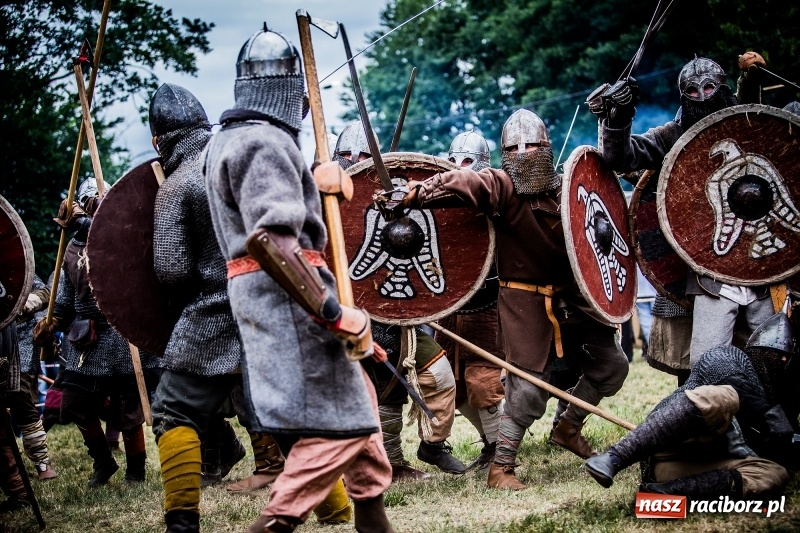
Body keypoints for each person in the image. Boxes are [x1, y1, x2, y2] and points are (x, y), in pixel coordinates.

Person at [203, 24, 395, 532]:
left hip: (276, 297)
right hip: (293, 303)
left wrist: (314, 180)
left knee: (362, 421)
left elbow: (268, 210)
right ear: (290, 91)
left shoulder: (231, 141)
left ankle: (372, 519)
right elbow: (270, 240)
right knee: (339, 429)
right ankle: (275, 522)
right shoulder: (265, 142)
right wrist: (333, 314)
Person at [378, 108, 630, 490]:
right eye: (515, 146)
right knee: (528, 389)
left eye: (533, 144)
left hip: (573, 299)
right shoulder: (502, 186)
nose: (525, 151)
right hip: (526, 303)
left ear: (547, 147)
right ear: (504, 153)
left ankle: (568, 426)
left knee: (612, 367)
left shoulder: (567, 190)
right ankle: (502, 467)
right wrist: (415, 193)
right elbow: (464, 182)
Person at [591, 55, 776, 376]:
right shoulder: (673, 135)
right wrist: (619, 116)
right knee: (705, 366)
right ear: (682, 96)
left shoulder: (746, 123)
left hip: (763, 264)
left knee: (774, 358)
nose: (703, 95)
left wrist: (752, 80)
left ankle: (772, 425)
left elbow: (761, 126)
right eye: (692, 90)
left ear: (723, 88)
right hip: (708, 272)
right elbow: (620, 156)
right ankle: (710, 421)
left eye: (709, 87)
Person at [335, 120, 466, 479]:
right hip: (343, 320)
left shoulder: (399, 203)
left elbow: (431, 262)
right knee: (380, 393)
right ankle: (388, 464)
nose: (356, 159)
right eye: (347, 154)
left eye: (363, 154)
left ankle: (433, 445)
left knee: (438, 376)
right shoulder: (323, 205)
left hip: (400, 319)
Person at [586, 313, 797, 499]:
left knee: (774, 473)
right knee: (723, 396)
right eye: (774, 356)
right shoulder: (732, 359)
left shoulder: (781, 409)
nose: (779, 361)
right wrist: (770, 415)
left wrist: (784, 439)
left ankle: (663, 493)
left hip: (682, 469)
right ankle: (613, 458)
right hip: (668, 444)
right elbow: (718, 367)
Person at [33, 181, 158, 489]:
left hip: (123, 335)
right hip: (87, 342)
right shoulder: (71, 248)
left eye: (98, 203)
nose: (93, 208)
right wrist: (53, 322)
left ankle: (136, 472)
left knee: (129, 411)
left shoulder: (124, 237)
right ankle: (103, 461)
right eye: (88, 203)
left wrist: (84, 224)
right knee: (74, 402)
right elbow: (64, 301)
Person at [436, 130, 505, 471]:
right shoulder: (437, 201)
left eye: (467, 162)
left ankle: (500, 450)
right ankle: (491, 442)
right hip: (450, 308)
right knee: (454, 387)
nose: (459, 168)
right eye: (453, 161)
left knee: (483, 382)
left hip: (487, 306)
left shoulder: (494, 199)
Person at [8, 274, 57, 480]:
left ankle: (41, 462)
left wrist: (23, 305)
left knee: (21, 398)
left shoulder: (12, 265)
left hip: (20, 341)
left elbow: (46, 293)